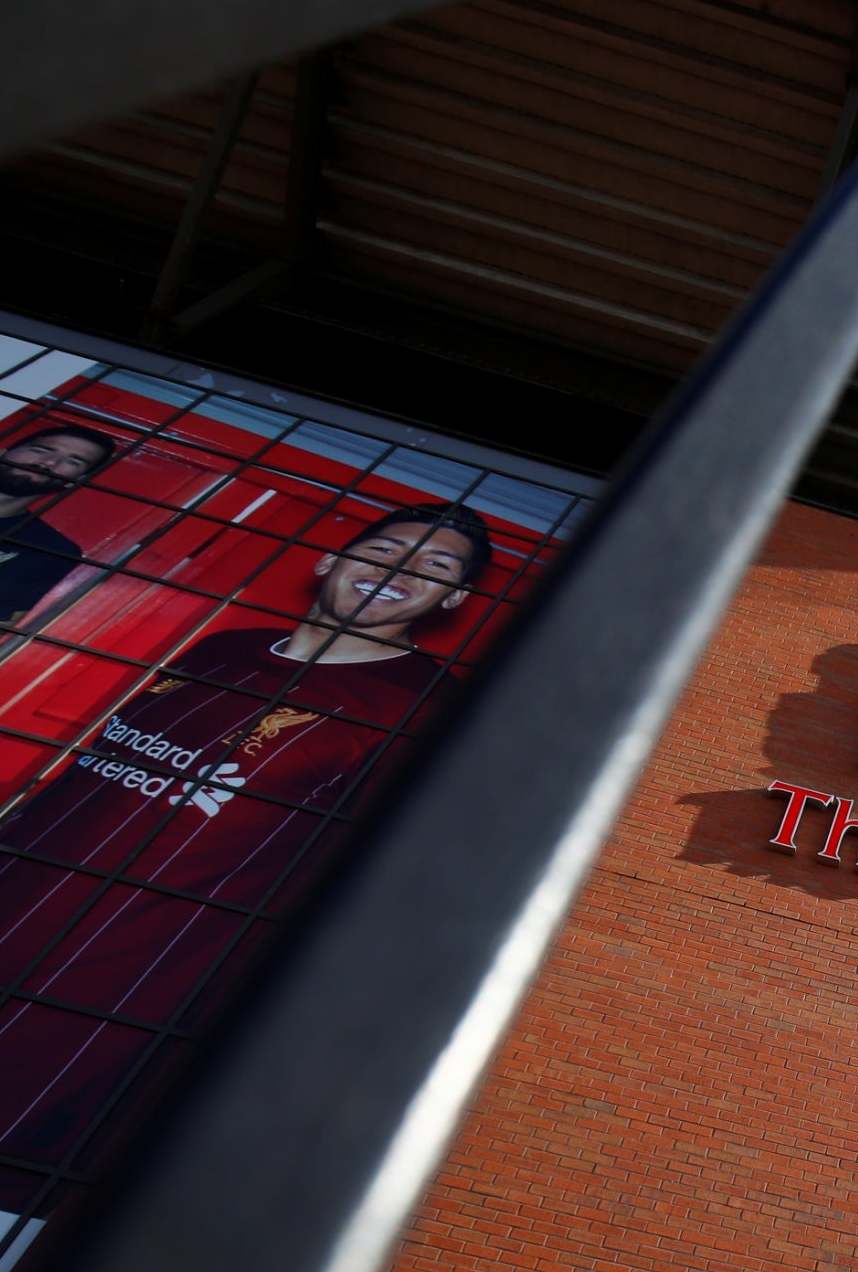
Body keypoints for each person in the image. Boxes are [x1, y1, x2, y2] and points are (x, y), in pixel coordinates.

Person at [0, 503, 494, 1177]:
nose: (402, 568)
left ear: (453, 598)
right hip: (25, 889)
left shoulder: (422, 708)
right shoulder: (224, 647)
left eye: (436, 565)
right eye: (387, 547)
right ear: (331, 559)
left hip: (138, 958)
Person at [0, 424, 116, 625]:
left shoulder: (51, 552)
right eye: (41, 450)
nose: (49, 462)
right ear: (3, 453)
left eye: (73, 462)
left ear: (75, 481)